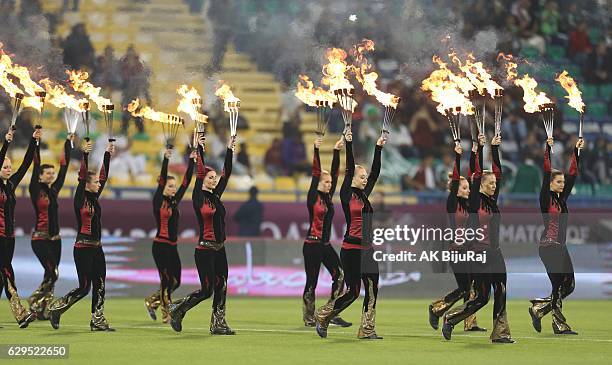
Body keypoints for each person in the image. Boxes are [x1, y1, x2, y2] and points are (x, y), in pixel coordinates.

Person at [442, 134, 515, 344]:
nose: (494, 185)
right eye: (490, 183)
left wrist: (494, 149)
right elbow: (475, 172)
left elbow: (498, 173)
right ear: (481, 184)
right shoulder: (474, 201)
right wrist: (478, 148)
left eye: (494, 183)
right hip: (478, 252)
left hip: (495, 252)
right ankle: (452, 318)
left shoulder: (492, 201)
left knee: (501, 291)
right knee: (482, 297)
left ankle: (501, 333)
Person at [314, 129, 386, 339]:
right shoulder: (347, 194)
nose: (365, 180)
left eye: (365, 177)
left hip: (367, 249)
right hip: (352, 249)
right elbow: (348, 169)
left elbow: (375, 173)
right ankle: (323, 315)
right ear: (353, 177)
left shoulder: (364, 195)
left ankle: (367, 329)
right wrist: (348, 144)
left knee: (372, 289)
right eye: (361, 177)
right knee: (353, 291)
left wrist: (378, 148)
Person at [168, 134, 236, 335]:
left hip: (219, 249)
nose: (214, 180)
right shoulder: (198, 197)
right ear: (203, 179)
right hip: (205, 250)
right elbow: (199, 172)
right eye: (210, 178)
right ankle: (178, 308)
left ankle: (218, 323)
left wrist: (230, 149)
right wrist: (200, 150)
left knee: (222, 286)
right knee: (207, 290)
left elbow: (227, 172)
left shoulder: (216, 196)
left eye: (214, 178)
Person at [48, 139, 116, 331]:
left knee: (100, 284)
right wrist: (85, 154)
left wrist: (107, 155)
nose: (98, 184)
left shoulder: (94, 197)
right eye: (94, 182)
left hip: (97, 247)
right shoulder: (80, 198)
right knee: (84, 287)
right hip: (83, 247)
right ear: (86, 184)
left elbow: (104, 175)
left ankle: (97, 319)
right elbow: (83, 175)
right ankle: (57, 308)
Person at [428, 141, 486, 332]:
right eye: (464, 188)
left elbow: (473, 176)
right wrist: (458, 156)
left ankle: (469, 322)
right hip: (455, 250)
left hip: (468, 249)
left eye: (467, 188)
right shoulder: (452, 204)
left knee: (471, 287)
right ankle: (437, 308)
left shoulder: (468, 205)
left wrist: (476, 152)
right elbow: (455, 182)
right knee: (464, 287)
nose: (467, 190)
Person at [528, 138, 584, 335]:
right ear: (550, 184)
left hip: (560, 246)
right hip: (549, 246)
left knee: (568, 285)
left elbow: (573, 174)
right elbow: (545, 172)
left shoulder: (562, 199)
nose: (562, 184)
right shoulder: (546, 199)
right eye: (558, 182)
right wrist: (547, 149)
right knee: (560, 285)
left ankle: (540, 309)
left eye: (562, 182)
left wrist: (576, 151)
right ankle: (557, 322)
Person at [301, 135, 351, 328]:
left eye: (330, 183)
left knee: (340, 275)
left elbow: (337, 175)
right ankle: (309, 317)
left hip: (325, 244)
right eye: (326, 182)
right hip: (312, 244)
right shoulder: (313, 197)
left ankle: (330, 311)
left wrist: (337, 151)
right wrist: (315, 150)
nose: (330, 184)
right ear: (319, 183)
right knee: (311, 282)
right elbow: (315, 173)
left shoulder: (328, 197)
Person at [144, 147, 195, 323]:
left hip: (172, 247)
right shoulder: (158, 201)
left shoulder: (174, 201)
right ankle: (167, 312)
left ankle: (152, 301)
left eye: (174, 186)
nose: (174, 189)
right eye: (170, 186)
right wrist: (166, 160)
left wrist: (193, 161)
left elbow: (186, 183)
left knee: (176, 281)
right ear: (163, 187)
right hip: (160, 246)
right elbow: (162, 180)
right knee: (166, 281)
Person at [28, 133, 73, 320]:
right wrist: (35, 142)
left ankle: (44, 309)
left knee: (51, 274)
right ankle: (35, 299)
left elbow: (64, 168)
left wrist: (68, 144)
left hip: (56, 239)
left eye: (52, 173)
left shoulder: (53, 190)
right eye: (48, 173)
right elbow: (35, 163)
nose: (52, 175)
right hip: (40, 238)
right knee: (52, 273)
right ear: (40, 176)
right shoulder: (34, 189)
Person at [0, 128, 39, 328]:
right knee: (7, 273)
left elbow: (25, 164)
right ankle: (21, 314)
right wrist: (5, 143)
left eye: (9, 166)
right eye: (4, 166)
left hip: (9, 236)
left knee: (2, 275)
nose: (8, 169)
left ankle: (20, 314)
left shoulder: (11, 184)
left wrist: (33, 141)